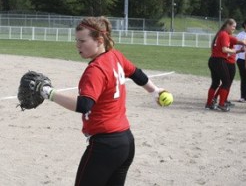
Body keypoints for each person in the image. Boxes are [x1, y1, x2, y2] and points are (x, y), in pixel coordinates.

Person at [37, 16, 168, 185]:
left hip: (105, 147)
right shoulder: (115, 56)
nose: (78, 45)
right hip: (125, 143)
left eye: (83, 41)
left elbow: (85, 105)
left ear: (99, 40)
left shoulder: (95, 69)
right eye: (76, 40)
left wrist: (48, 93)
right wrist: (154, 91)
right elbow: (137, 73)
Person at [205, 18, 246, 112]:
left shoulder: (220, 33)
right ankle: (221, 104)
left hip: (213, 60)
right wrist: (235, 51)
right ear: (227, 25)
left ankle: (209, 103)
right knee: (226, 82)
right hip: (219, 60)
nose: (234, 29)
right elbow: (224, 50)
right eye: (233, 26)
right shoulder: (224, 34)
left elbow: (234, 41)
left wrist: (238, 48)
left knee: (215, 83)